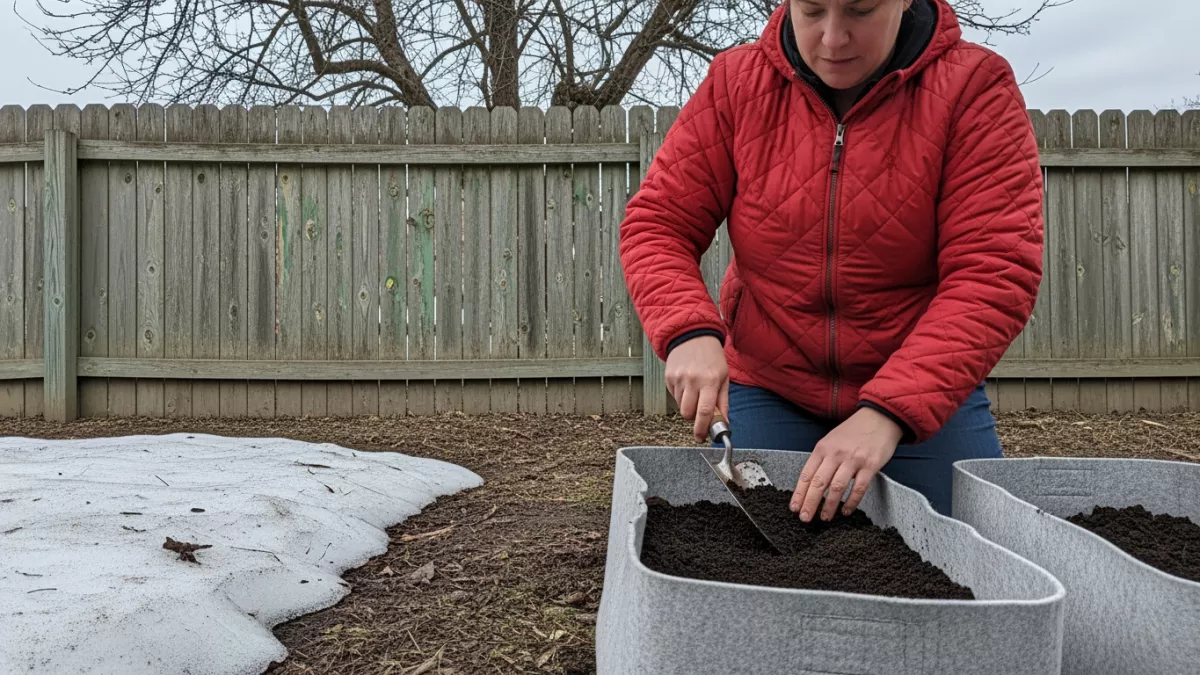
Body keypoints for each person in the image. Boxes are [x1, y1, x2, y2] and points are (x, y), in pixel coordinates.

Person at [618, 0, 1043, 521]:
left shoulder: (974, 88)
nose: (833, 39)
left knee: (970, 546)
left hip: (919, 383)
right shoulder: (737, 84)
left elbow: (993, 272)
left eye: (861, 11)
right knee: (764, 559)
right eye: (813, 10)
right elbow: (658, 222)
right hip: (773, 382)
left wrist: (888, 412)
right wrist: (689, 332)